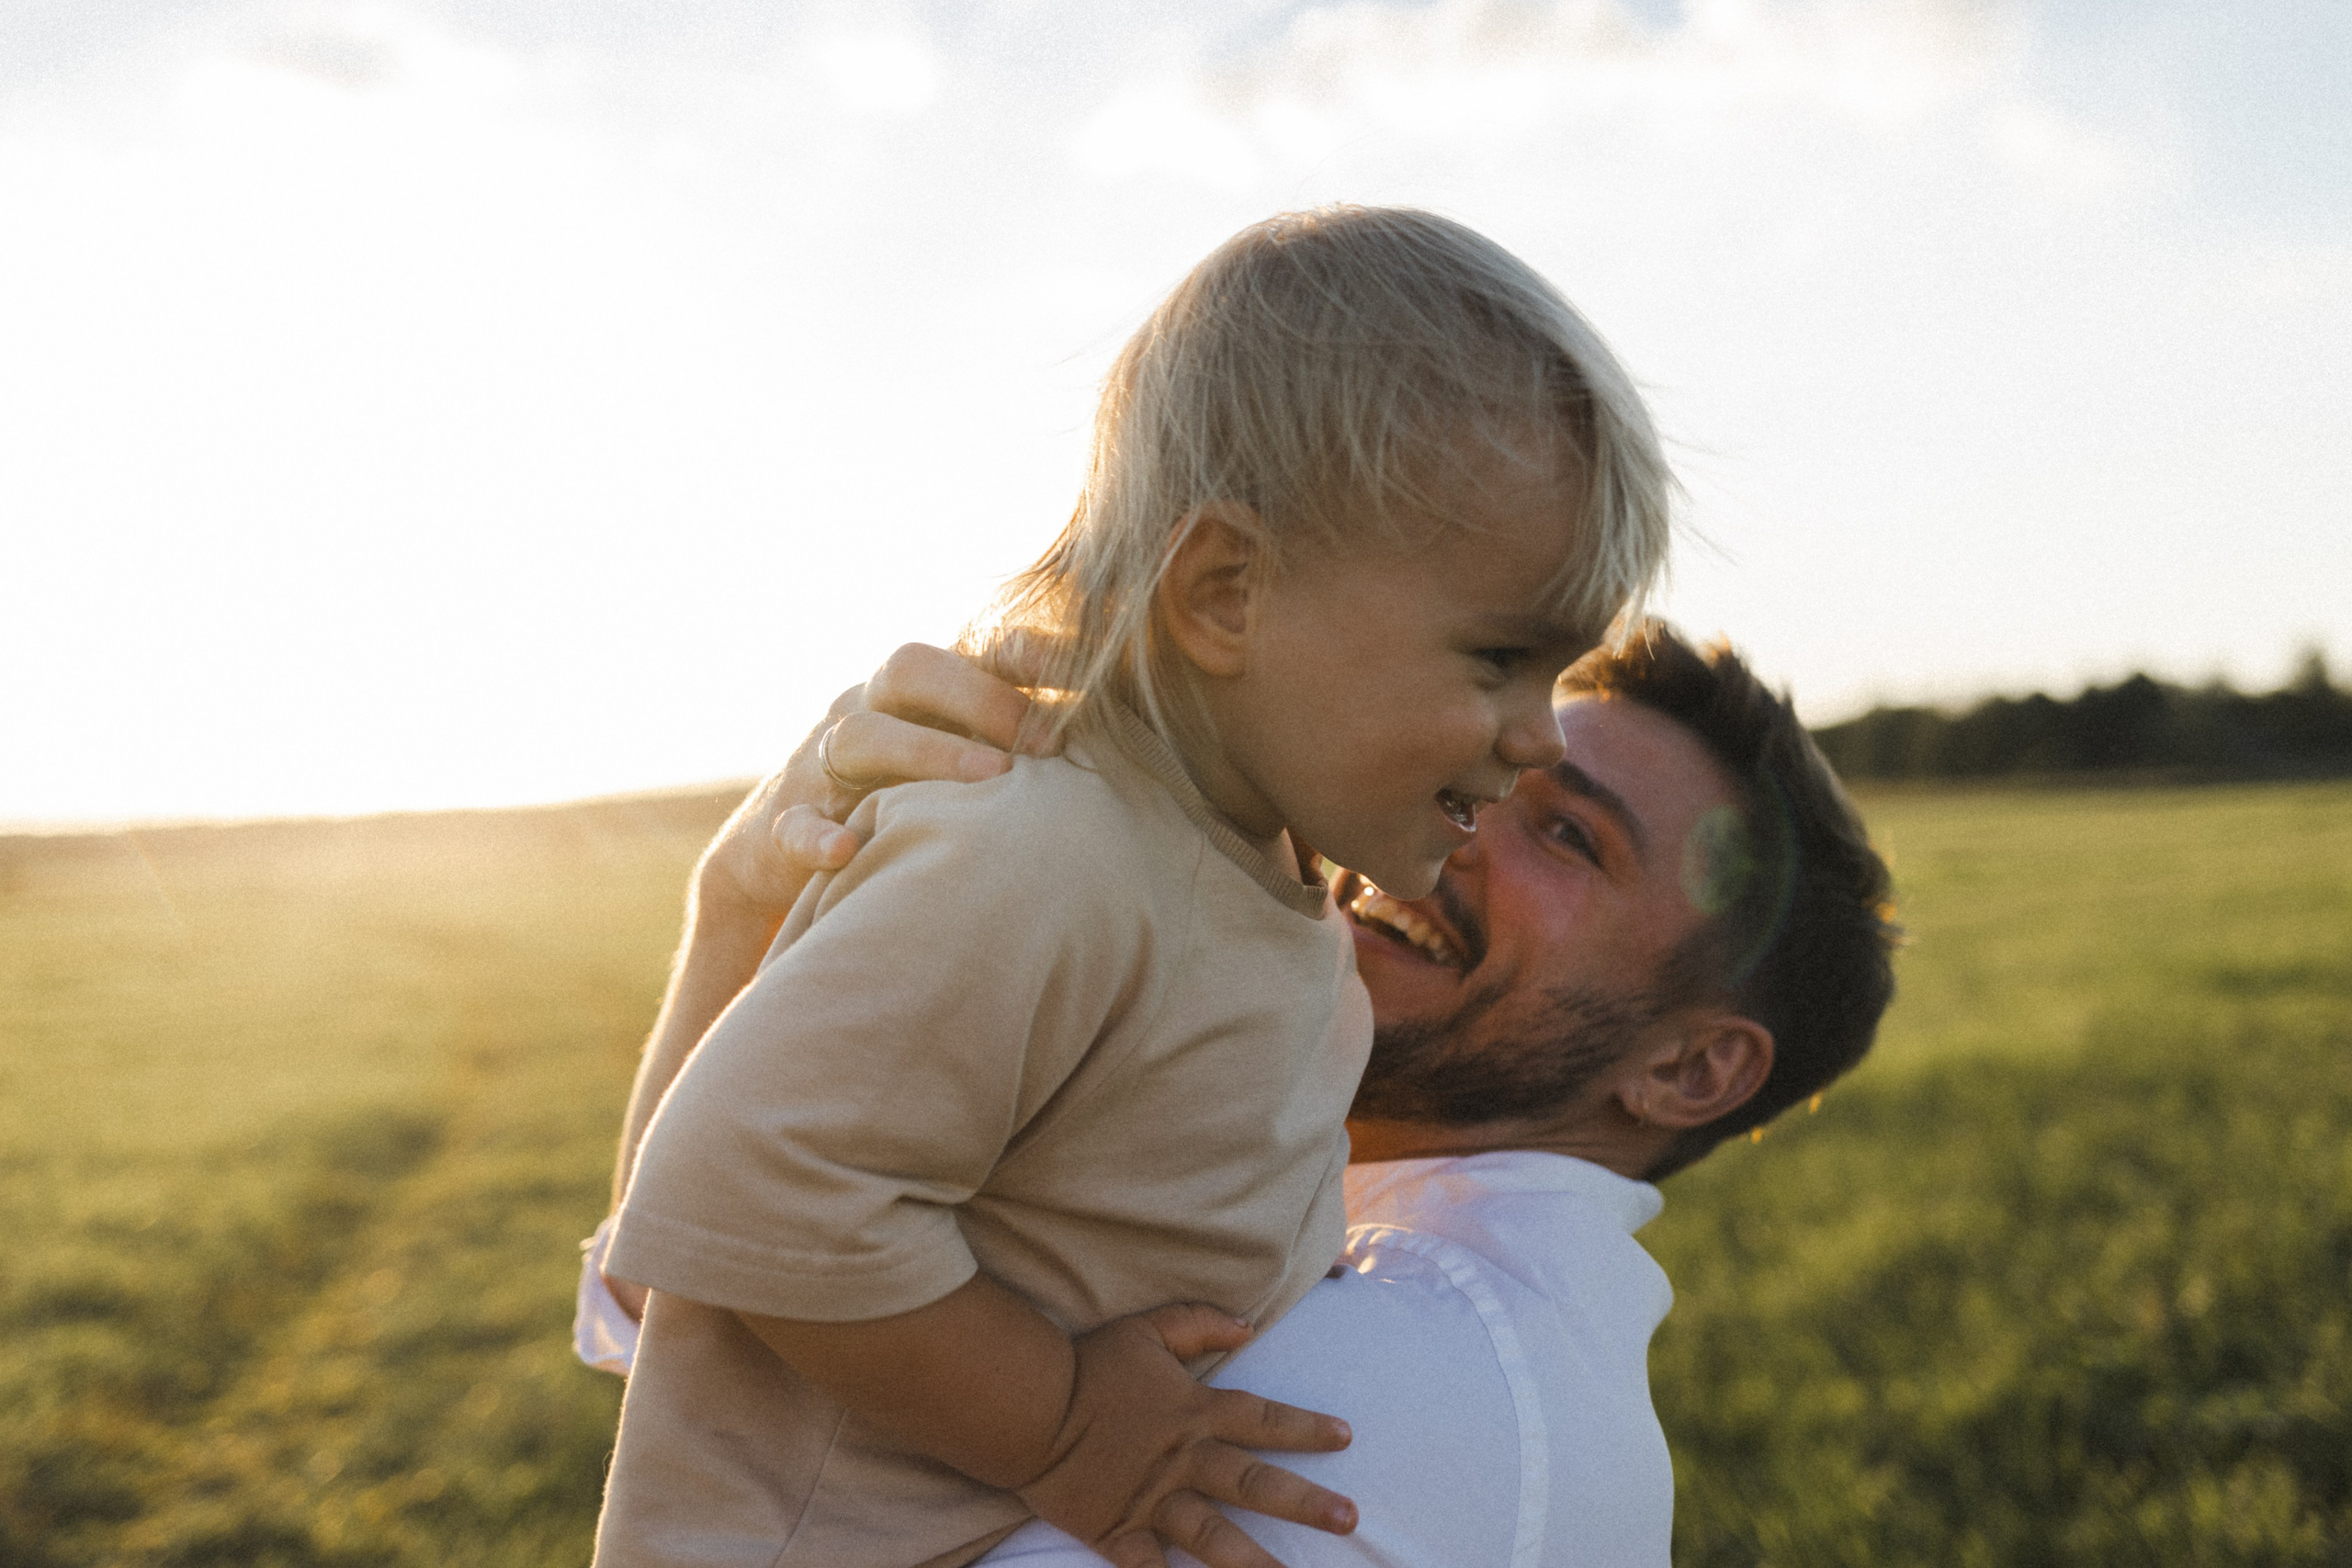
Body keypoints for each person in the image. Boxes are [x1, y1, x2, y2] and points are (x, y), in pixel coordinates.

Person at [591, 207, 1674, 1568]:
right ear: (1226, 592)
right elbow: (746, 1181)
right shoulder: (1042, 849)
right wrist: (1058, 1427)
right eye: (1501, 660)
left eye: (1559, 677)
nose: (1540, 735)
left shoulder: (1263, 883)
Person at [581, 624, 1899, 1566]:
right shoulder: (1254, 1190)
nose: (1461, 810)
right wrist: (745, 911)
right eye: (1490, 764)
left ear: (1688, 1070)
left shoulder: (1383, 1379)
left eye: (1566, 832)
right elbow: (699, 1306)